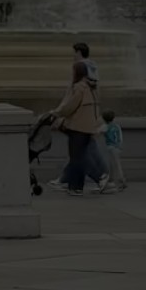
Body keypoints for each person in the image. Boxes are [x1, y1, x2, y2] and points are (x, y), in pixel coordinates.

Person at [49, 61, 103, 196]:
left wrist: (56, 113)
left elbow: (70, 106)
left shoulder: (79, 87)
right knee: (79, 157)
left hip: (78, 127)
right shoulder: (92, 87)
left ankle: (92, 180)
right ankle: (76, 186)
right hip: (89, 127)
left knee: (77, 158)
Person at [101, 110, 125, 192]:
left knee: (113, 165)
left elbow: (99, 131)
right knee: (115, 164)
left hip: (110, 147)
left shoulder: (105, 126)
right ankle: (112, 180)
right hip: (117, 147)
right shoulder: (117, 126)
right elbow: (120, 137)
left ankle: (120, 182)